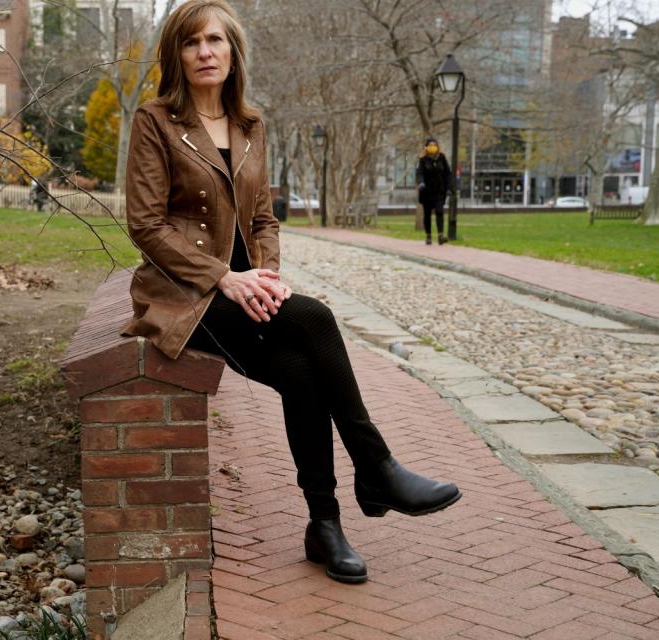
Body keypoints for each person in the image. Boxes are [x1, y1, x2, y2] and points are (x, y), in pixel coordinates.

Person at [121, 0, 460, 584]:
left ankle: (324, 526)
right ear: (176, 54)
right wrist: (224, 277)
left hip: (246, 293)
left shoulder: (252, 124)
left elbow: (263, 220)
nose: (205, 51)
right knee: (317, 319)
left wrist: (267, 278)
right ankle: (374, 465)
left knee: (303, 374)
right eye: (192, 42)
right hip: (186, 298)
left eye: (216, 40)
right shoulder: (156, 121)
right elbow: (145, 225)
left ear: (233, 52)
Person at [415, 136, 453, 245]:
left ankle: (441, 236)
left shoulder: (442, 158)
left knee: (439, 211)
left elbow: (448, 174)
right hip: (426, 192)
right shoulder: (422, 160)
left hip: (439, 192)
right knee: (427, 215)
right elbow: (419, 173)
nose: (432, 147)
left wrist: (450, 188)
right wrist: (421, 182)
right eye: (430, 145)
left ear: (437, 146)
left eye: (434, 145)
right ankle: (428, 235)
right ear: (426, 147)